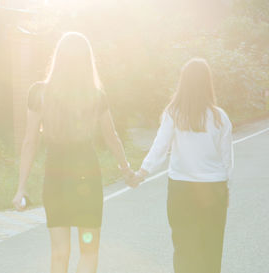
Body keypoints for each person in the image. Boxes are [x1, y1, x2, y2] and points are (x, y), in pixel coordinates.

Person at [12, 32, 138, 273]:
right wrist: (126, 170)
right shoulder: (96, 94)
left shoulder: (39, 93)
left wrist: (21, 188)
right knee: (89, 251)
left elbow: (30, 142)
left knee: (59, 254)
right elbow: (112, 137)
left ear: (58, 58)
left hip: (55, 178)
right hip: (87, 179)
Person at [130, 58, 234, 273]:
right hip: (213, 189)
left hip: (181, 190)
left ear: (183, 83)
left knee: (184, 249)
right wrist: (227, 188)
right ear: (208, 83)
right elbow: (227, 160)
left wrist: (142, 172)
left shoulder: (173, 114)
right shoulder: (220, 118)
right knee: (211, 249)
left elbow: (160, 147)